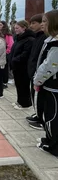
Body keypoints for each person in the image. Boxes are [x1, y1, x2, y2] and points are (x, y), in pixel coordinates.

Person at [34, 10, 58, 156]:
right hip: (49, 85)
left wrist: (38, 80)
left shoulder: (56, 43)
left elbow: (49, 66)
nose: (42, 24)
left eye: (45, 21)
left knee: (52, 116)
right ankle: (50, 139)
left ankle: (54, 146)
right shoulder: (50, 40)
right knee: (49, 114)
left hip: (53, 87)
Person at [26, 14, 47, 130]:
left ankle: (41, 119)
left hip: (39, 73)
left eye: (34, 23)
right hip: (33, 71)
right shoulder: (37, 36)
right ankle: (38, 114)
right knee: (34, 95)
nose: (31, 25)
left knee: (40, 96)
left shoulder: (45, 37)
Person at [10, 20, 35, 110]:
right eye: (15, 28)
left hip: (23, 66)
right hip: (16, 66)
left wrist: (15, 59)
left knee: (24, 85)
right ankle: (20, 101)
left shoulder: (29, 39)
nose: (15, 30)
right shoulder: (18, 38)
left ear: (24, 28)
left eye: (17, 28)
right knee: (19, 85)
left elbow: (26, 53)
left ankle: (26, 104)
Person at [0, 21, 14, 89]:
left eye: (0, 25)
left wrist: (6, 52)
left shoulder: (8, 35)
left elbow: (10, 45)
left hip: (5, 54)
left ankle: (5, 82)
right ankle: (0, 81)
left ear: (4, 26)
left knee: (4, 68)